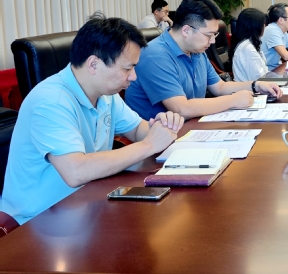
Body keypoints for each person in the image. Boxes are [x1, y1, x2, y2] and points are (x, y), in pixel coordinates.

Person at [2, 14, 184, 225]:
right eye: (127, 68)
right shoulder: (51, 101)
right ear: (94, 64)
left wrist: (161, 127)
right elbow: (75, 171)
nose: (133, 76)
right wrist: (148, 145)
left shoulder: (106, 95)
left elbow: (136, 130)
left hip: (86, 204)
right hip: (36, 221)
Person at [125, 0, 282, 120]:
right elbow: (181, 109)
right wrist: (234, 100)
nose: (213, 41)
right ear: (186, 30)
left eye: (215, 35)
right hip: (158, 141)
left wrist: (256, 85)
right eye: (209, 35)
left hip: (193, 127)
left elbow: (220, 87)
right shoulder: (156, 55)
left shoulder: (196, 50)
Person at [230, 8, 270, 82]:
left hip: (260, 84)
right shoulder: (247, 48)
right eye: (263, 24)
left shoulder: (250, 43)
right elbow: (259, 78)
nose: (265, 26)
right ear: (255, 26)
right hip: (254, 87)